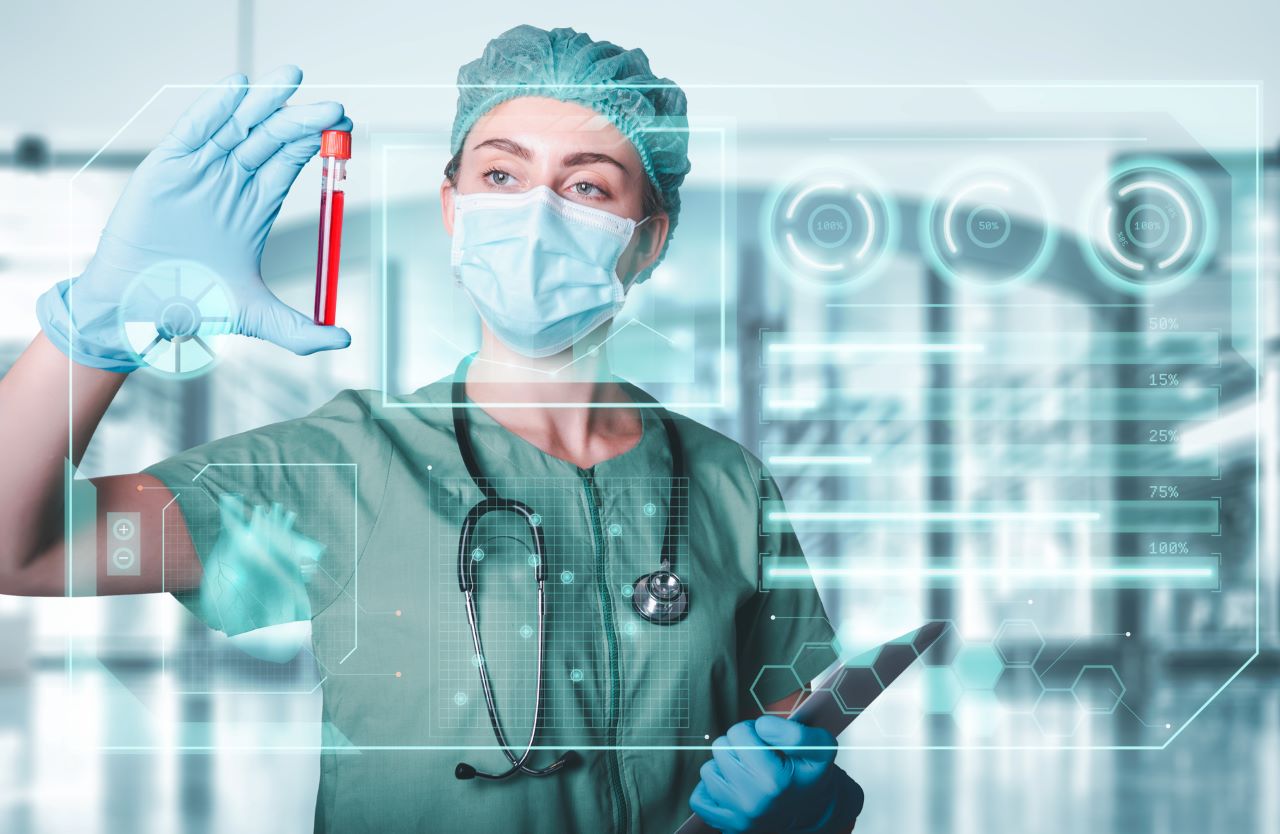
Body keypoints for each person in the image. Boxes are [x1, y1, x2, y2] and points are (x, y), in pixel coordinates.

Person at [0, 25, 863, 834]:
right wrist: (100, 328)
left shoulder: (724, 482)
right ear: (452, 207)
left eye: (588, 185)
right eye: (501, 176)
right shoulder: (346, 465)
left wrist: (807, 807)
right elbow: (22, 550)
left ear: (647, 241)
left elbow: (795, 746)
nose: (535, 213)